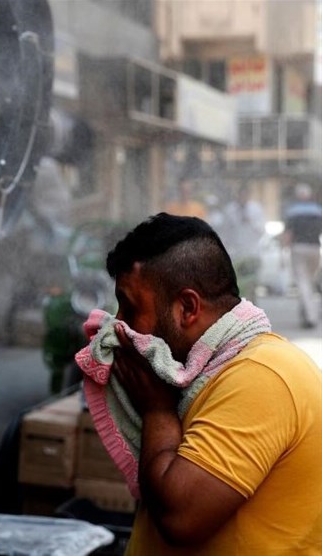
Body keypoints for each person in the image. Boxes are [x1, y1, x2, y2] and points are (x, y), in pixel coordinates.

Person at [75, 213, 321, 555]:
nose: (119, 325)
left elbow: (180, 518)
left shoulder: (263, 376)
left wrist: (157, 410)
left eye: (130, 308)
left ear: (187, 308)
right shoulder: (215, 370)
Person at [217, 183, 265, 303]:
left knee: (251, 284)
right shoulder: (230, 210)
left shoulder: (256, 209)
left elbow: (261, 231)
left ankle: (252, 307)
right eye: (241, 194)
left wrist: (251, 221)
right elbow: (224, 232)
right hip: (236, 254)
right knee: (237, 284)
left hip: (252, 253)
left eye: (245, 194)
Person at [283, 182, 322, 329]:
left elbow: (288, 234)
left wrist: (283, 251)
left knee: (303, 283)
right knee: (309, 282)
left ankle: (311, 316)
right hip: (315, 249)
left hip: (299, 248)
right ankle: (306, 311)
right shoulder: (318, 211)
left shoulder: (293, 211)